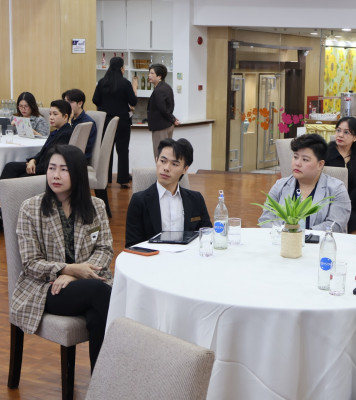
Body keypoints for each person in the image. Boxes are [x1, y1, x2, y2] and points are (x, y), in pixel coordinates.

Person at [11, 144, 113, 371]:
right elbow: (30, 263)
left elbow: (105, 249)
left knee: (98, 316)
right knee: (103, 294)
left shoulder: (96, 206)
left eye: (64, 169)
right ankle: (112, 380)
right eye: (51, 168)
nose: (55, 175)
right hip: (46, 288)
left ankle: (101, 382)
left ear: (77, 172)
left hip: (85, 284)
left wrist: (76, 275)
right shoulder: (30, 208)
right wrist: (68, 269)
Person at [125, 138, 212, 247]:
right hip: (153, 256)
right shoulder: (139, 201)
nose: (166, 168)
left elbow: (207, 235)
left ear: (185, 169)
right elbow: (132, 245)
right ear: (156, 160)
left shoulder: (196, 199)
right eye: (163, 161)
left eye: (174, 164)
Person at [258, 134, 351, 233]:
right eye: (295, 157)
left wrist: (301, 235)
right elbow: (265, 219)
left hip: (318, 242)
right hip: (283, 240)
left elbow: (335, 225)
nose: (297, 163)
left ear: (320, 164)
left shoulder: (336, 189)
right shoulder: (280, 185)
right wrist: (286, 234)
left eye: (305, 159)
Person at [92, 56, 138, 188]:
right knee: (122, 150)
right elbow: (133, 101)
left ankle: (105, 178)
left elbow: (95, 100)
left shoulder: (102, 82)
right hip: (122, 121)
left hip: (106, 120)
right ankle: (123, 180)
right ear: (122, 68)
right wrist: (135, 88)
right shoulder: (125, 83)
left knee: (107, 150)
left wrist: (105, 105)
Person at [0, 100, 73, 179]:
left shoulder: (66, 133)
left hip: (46, 169)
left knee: (16, 174)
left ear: (65, 117)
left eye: (55, 114)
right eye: (50, 114)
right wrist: (33, 160)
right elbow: (42, 152)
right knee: (10, 166)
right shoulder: (56, 132)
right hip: (39, 164)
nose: (51, 117)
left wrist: (34, 166)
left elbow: (53, 160)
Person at [325, 117, 356, 233]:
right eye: (338, 130)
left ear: (355, 137)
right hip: (327, 200)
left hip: (352, 201)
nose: (340, 135)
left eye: (346, 132)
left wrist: (347, 202)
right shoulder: (325, 154)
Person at [147, 63, 179, 159]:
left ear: (159, 76)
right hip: (167, 125)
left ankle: (160, 170)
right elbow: (170, 107)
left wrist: (173, 119)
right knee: (167, 154)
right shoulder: (166, 86)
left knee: (160, 155)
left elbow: (163, 109)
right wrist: (172, 118)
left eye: (152, 73)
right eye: (149, 73)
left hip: (160, 127)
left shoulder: (159, 90)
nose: (149, 75)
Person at [62, 88, 97, 163]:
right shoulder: (70, 118)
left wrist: (69, 122)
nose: (66, 105)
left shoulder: (86, 123)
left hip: (78, 159)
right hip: (66, 154)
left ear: (80, 103)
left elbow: (76, 144)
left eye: (70, 102)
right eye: (65, 102)